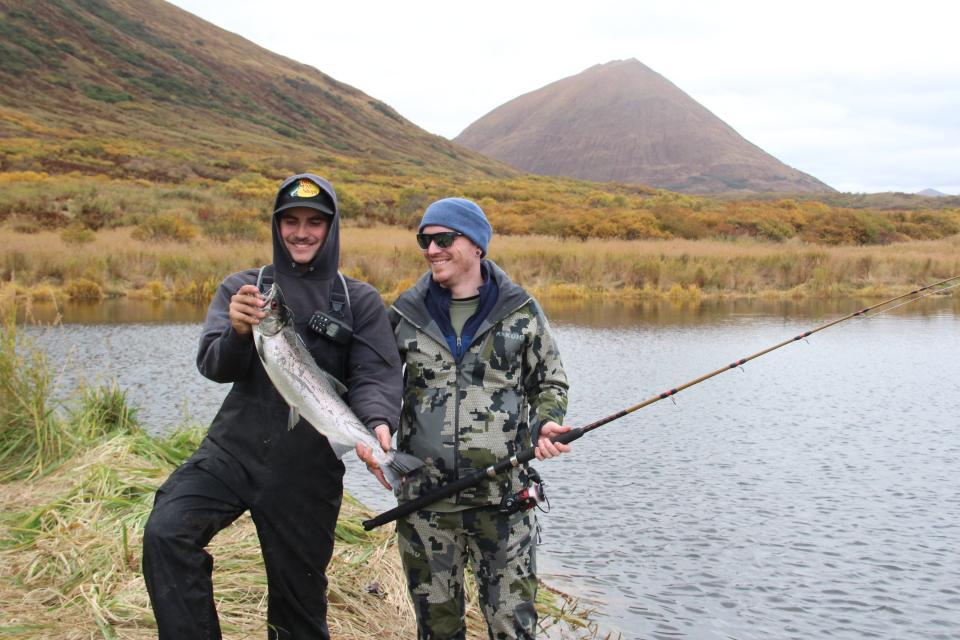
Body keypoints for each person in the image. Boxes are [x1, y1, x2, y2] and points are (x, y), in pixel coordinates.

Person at [143, 173, 401, 640]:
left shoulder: (358, 300)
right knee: (167, 533)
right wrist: (238, 332)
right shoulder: (245, 289)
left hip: (309, 472)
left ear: (332, 228)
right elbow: (214, 366)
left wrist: (378, 424)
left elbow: (375, 376)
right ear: (277, 226)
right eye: (291, 221)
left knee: (298, 610)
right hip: (232, 452)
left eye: (314, 222)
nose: (301, 232)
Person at [357, 197, 572, 639]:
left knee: (513, 629)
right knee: (437, 632)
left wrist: (546, 424)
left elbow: (550, 383)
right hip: (425, 508)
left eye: (443, 239)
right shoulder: (405, 313)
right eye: (425, 240)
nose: (431, 249)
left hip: (505, 504)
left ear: (476, 244)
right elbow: (374, 381)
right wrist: (372, 432)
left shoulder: (520, 311)